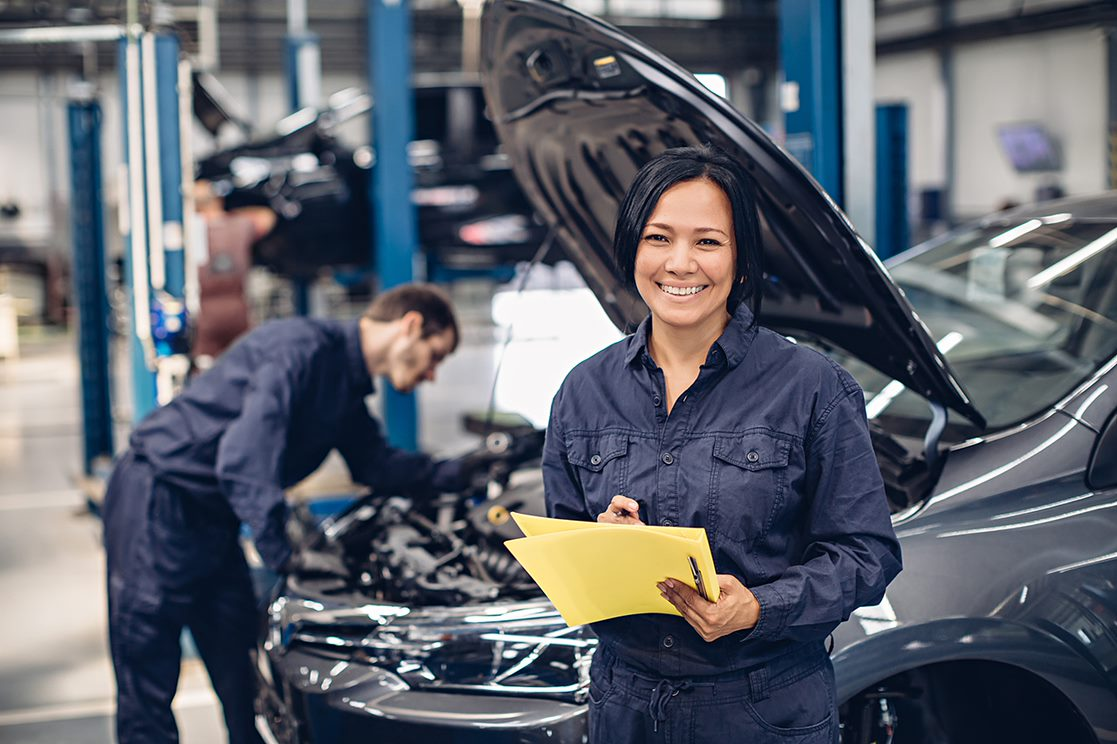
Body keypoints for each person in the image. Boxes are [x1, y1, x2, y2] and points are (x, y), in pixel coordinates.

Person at [542, 145, 902, 743]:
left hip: (762, 707)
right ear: (632, 248)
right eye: (659, 238)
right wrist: (605, 545)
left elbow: (867, 555)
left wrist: (761, 606)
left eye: (707, 241)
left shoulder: (812, 387)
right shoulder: (583, 391)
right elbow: (563, 547)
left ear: (740, 261)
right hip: (624, 705)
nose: (680, 263)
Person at [103, 283, 490, 744]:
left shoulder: (344, 388)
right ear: (410, 326)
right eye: (435, 355)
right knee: (148, 676)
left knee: (241, 669)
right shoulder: (300, 350)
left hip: (213, 518)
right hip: (157, 502)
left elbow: (377, 466)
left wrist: (465, 469)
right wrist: (286, 554)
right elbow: (243, 460)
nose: (431, 374)